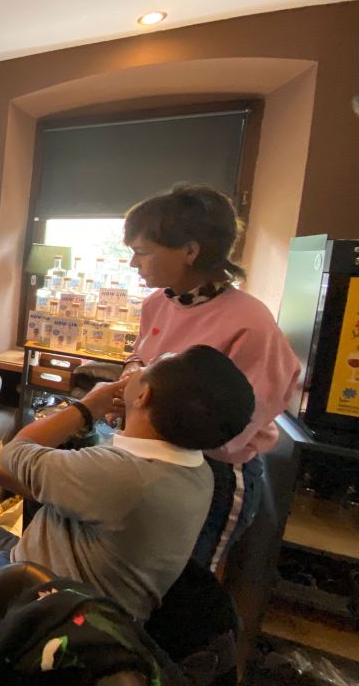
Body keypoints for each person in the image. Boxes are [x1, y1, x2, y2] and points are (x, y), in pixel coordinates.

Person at [0, 345, 255, 661]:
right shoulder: (193, 471)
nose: (134, 368)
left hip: (39, 614)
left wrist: (87, 407)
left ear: (143, 395)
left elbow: (18, 451)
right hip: (29, 568)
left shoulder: (126, 476)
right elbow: (55, 487)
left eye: (145, 368)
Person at [122, 184, 299, 571]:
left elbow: (236, 427)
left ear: (190, 251)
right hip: (159, 458)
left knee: (187, 576)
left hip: (214, 472)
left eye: (142, 252)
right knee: (145, 572)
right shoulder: (158, 303)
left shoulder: (250, 323)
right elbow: (140, 356)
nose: (134, 263)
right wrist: (132, 373)